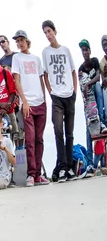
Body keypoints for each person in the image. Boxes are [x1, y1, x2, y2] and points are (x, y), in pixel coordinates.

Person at [41, 20, 78, 182]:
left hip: (69, 95)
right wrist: (51, 92)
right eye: (45, 33)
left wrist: (75, 92)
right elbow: (46, 75)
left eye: (49, 31)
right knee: (58, 131)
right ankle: (62, 167)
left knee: (70, 134)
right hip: (56, 97)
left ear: (55, 31)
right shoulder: (45, 52)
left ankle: (70, 167)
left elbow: (73, 71)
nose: (48, 35)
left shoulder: (66, 50)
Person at [11, 30, 49, 186]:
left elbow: (41, 80)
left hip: (41, 103)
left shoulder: (36, 59)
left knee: (40, 139)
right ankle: (31, 174)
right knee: (30, 139)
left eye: (22, 40)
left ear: (28, 41)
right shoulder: (16, 58)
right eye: (17, 41)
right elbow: (16, 81)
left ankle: (39, 174)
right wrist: (24, 101)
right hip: (27, 104)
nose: (20, 43)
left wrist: (45, 99)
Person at [78, 39, 106, 170]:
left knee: (98, 87)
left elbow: (98, 77)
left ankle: (101, 120)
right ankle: (89, 161)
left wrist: (89, 84)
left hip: (97, 95)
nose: (84, 52)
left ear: (89, 51)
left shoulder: (95, 61)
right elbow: (81, 87)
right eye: (82, 50)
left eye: (86, 50)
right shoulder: (81, 69)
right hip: (89, 102)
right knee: (88, 129)